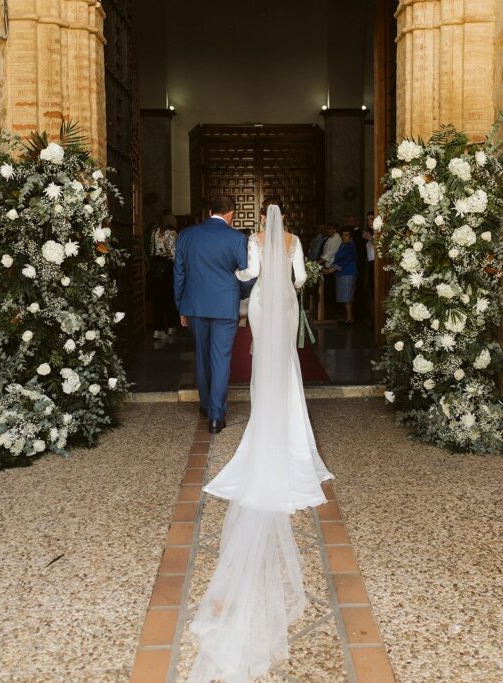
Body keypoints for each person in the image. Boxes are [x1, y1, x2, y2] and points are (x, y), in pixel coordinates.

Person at [188, 202, 334, 683]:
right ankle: (291, 424)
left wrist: (245, 274)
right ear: (287, 224)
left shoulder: (253, 243)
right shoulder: (292, 244)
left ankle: (266, 414)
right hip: (286, 305)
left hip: (263, 306)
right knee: (288, 364)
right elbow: (300, 280)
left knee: (265, 366)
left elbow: (248, 273)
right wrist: (286, 276)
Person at [174, 195, 248, 434]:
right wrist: (239, 293)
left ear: (209, 212)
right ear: (231, 213)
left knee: (202, 356)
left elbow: (179, 274)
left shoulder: (186, 235)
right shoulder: (237, 238)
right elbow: (247, 274)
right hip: (225, 306)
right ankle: (216, 416)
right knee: (221, 358)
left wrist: (181, 306)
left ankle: (206, 405)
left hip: (194, 305)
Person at [147, 210, 178, 339]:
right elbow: (173, 254)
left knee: (157, 299)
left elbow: (151, 251)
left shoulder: (154, 232)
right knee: (169, 298)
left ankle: (158, 329)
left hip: (155, 267)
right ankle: (171, 326)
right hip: (167, 267)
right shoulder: (172, 234)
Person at [329, 228, 358, 325]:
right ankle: (347, 316)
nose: (343, 237)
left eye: (346, 235)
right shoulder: (343, 245)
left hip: (348, 273)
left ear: (351, 237)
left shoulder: (351, 246)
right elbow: (338, 259)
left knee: (348, 297)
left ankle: (350, 318)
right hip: (341, 273)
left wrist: (333, 269)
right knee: (343, 297)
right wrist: (331, 267)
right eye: (343, 234)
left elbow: (347, 260)